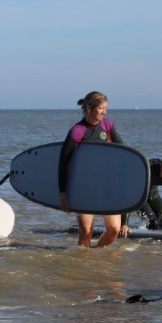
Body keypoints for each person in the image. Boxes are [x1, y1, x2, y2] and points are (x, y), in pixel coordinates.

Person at [58, 91, 126, 247]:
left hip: (107, 184)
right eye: (101, 108)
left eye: (106, 108)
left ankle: (95, 256)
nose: (105, 112)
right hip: (85, 186)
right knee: (86, 233)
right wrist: (63, 194)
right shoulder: (77, 131)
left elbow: (123, 152)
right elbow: (64, 163)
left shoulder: (107, 125)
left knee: (114, 229)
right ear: (89, 108)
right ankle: (83, 266)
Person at [130, 154, 162, 231]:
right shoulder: (146, 170)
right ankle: (145, 241)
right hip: (137, 195)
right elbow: (128, 192)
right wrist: (123, 224)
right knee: (153, 223)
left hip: (152, 193)